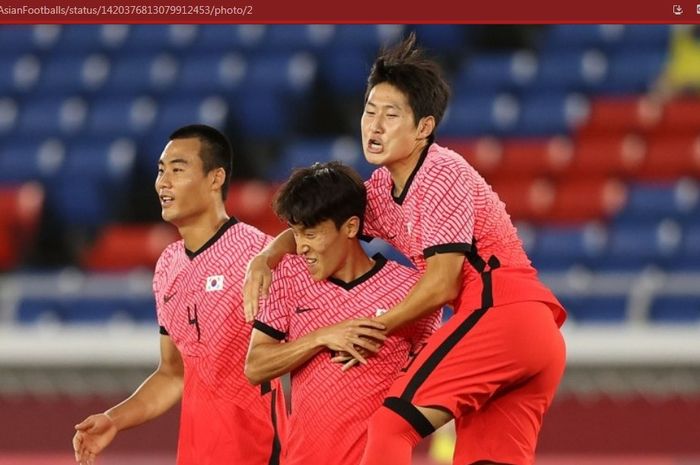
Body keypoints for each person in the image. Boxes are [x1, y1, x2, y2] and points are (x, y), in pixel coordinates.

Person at [243, 33, 566, 465]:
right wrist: (267, 256)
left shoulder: (440, 170)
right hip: (532, 335)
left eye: (390, 115)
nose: (373, 126)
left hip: (500, 312)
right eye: (369, 111)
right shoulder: (381, 191)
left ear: (424, 128)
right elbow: (326, 222)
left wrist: (371, 326)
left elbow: (442, 281)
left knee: (391, 425)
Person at [72, 124, 283, 465]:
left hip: (259, 452)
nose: (163, 183)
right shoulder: (168, 265)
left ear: (215, 179)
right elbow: (173, 373)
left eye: (178, 169)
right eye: (160, 171)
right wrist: (114, 419)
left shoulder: (257, 254)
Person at [245, 161, 440, 465]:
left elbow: (433, 381)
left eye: (311, 233)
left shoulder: (409, 290)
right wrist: (321, 337)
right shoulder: (290, 276)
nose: (301, 246)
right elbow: (255, 367)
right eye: (296, 234)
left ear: (350, 226)